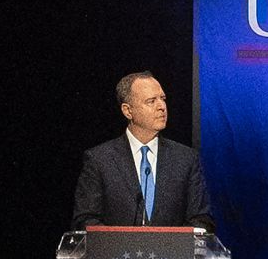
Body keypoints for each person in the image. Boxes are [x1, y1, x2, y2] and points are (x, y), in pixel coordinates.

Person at [72, 71, 214, 231]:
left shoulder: (186, 159)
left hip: (171, 255)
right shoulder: (99, 159)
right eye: (151, 101)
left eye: (163, 99)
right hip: (118, 255)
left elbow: (201, 220)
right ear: (128, 111)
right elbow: (85, 219)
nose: (162, 107)